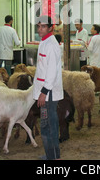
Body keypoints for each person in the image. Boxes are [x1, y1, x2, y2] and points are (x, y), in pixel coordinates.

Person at [33, 15, 64, 160]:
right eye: (38, 26)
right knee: (49, 124)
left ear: (50, 28)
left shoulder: (51, 45)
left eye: (43, 26)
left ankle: (52, 158)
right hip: (45, 90)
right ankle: (52, 155)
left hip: (48, 93)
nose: (40, 29)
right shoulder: (44, 42)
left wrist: (43, 93)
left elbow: (51, 71)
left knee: (47, 125)